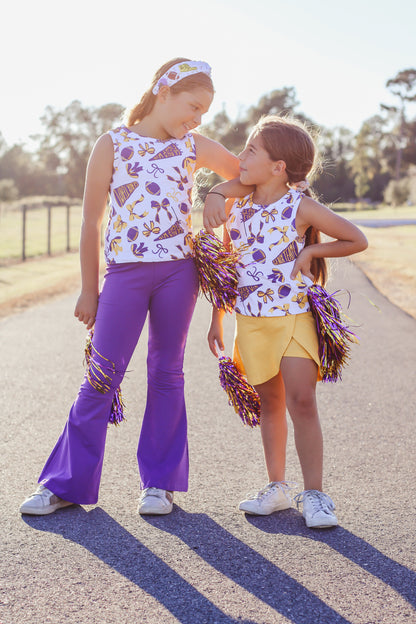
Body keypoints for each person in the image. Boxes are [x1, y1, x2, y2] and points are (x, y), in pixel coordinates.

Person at [20, 57, 241, 517]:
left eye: (204, 113)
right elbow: (90, 222)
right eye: (193, 106)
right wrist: (87, 289)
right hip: (124, 274)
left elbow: (246, 173)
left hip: (179, 274)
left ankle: (159, 484)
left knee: (167, 372)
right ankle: (64, 483)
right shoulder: (113, 144)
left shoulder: (193, 145)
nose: (197, 119)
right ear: (164, 92)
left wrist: (219, 192)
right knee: (102, 375)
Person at [205, 115, 368, 528]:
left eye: (251, 151)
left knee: (302, 402)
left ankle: (314, 494)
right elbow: (226, 271)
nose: (240, 157)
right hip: (251, 323)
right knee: (270, 405)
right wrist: (216, 320)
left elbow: (356, 238)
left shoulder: (301, 206)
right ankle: (277, 488)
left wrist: (312, 254)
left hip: (294, 319)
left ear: (279, 167)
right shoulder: (236, 209)